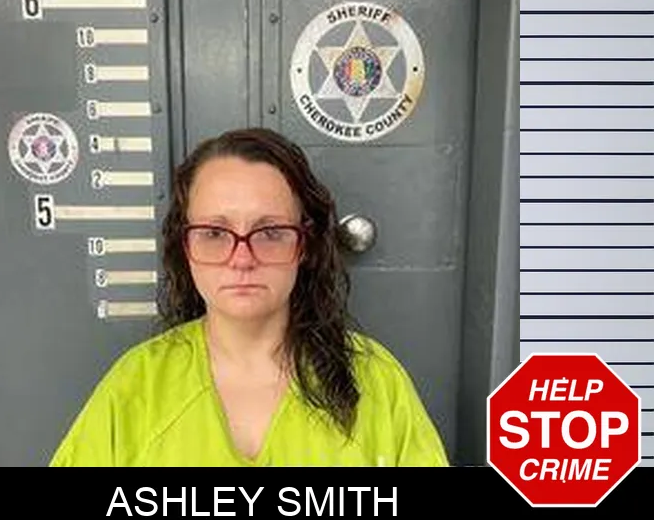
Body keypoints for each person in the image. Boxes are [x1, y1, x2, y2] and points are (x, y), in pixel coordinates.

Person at [49, 128, 449, 467]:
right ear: (185, 246)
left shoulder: (374, 381)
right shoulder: (135, 386)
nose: (242, 258)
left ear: (304, 245)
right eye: (214, 233)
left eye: (270, 232)